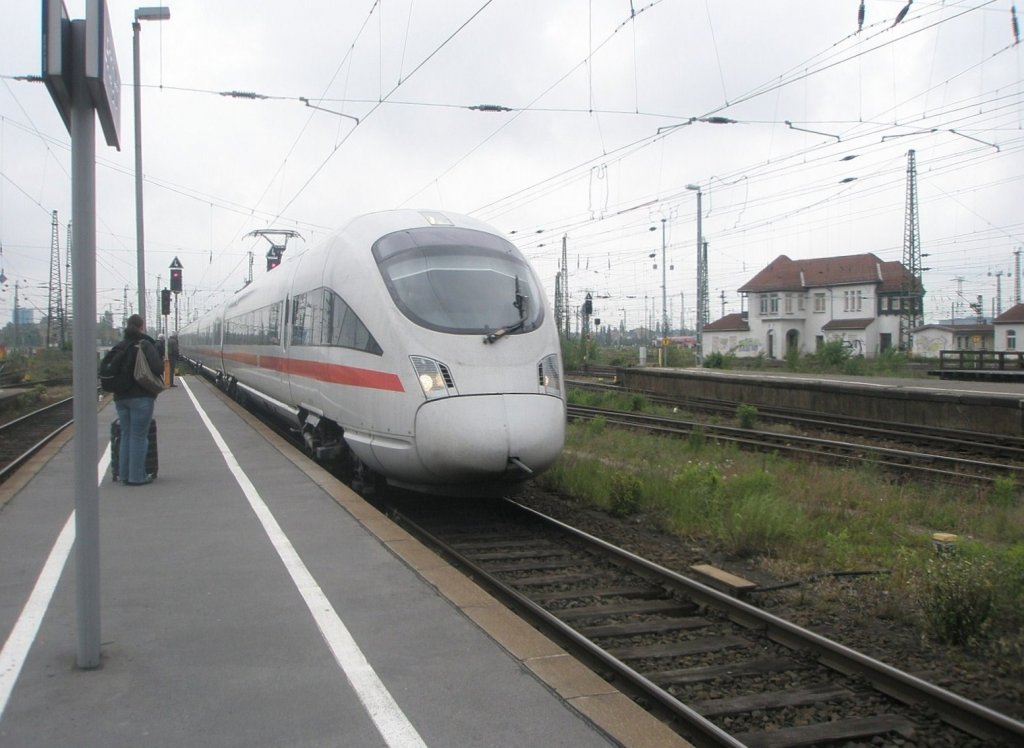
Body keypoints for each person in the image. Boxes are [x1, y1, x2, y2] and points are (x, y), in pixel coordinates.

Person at [113, 314, 163, 485]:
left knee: (126, 435)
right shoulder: (144, 344)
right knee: (139, 437)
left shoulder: (120, 345)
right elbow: (157, 368)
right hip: (141, 397)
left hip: (120, 398)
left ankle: (124, 474)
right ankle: (137, 477)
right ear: (142, 327)